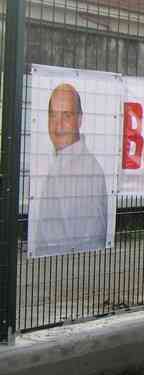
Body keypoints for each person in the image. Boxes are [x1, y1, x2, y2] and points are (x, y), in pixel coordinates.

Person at [31, 83, 108, 257]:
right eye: (53, 115)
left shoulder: (88, 172)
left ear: (80, 120)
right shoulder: (57, 162)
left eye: (66, 115)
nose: (57, 127)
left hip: (68, 276)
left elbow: (91, 244)